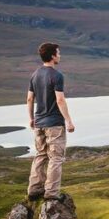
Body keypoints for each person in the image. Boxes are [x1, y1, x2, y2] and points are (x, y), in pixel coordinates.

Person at [26, 42, 75, 201]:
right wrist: (68, 121)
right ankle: (52, 193)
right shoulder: (56, 75)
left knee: (40, 155)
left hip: (39, 123)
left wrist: (31, 118)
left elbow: (29, 99)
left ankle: (34, 189)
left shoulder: (35, 75)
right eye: (58, 53)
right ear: (53, 56)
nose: (60, 55)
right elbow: (60, 100)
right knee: (56, 158)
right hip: (54, 124)